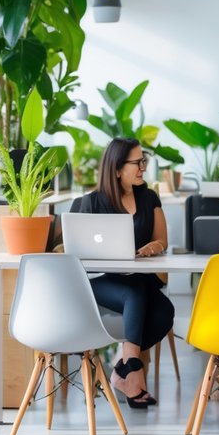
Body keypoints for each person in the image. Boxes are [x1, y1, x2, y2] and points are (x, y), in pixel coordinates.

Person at [69, 137, 175, 408]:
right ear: (117, 169)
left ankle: (122, 368)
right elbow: (74, 251)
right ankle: (131, 374)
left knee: (165, 312)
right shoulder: (91, 203)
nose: (143, 167)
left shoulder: (148, 197)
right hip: (101, 282)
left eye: (144, 161)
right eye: (137, 162)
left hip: (141, 282)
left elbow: (162, 240)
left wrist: (155, 246)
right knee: (133, 293)